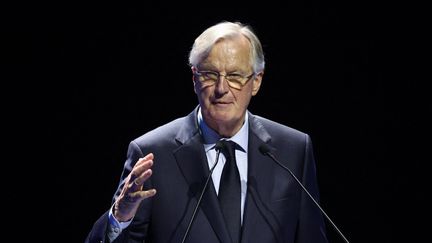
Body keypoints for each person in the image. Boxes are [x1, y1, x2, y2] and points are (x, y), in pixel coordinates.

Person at [85, 21, 328, 243]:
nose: (222, 88)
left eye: (235, 76)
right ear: (194, 78)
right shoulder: (152, 153)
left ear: (256, 81)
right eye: (210, 74)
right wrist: (119, 216)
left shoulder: (293, 150)